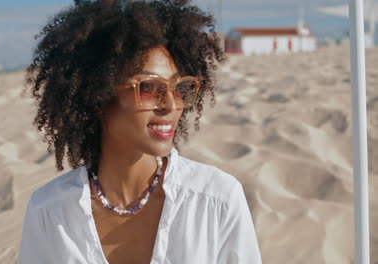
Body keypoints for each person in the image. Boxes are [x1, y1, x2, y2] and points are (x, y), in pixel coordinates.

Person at [19, 0, 262, 263]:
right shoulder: (49, 211)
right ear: (96, 95)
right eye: (149, 87)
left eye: (179, 88)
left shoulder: (217, 199)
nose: (171, 105)